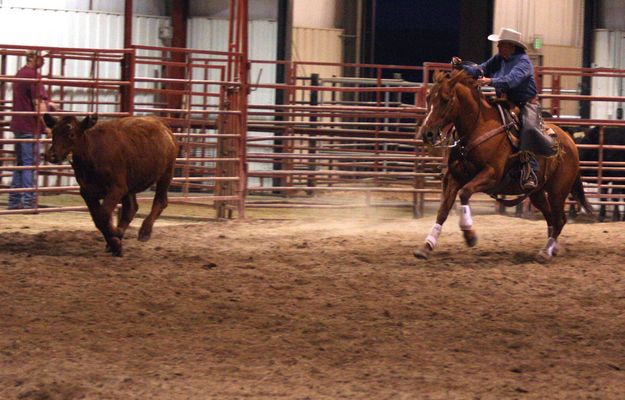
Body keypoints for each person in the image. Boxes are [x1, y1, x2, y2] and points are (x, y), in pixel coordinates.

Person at [452, 27, 555, 190]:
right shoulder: (499, 58)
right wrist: (462, 67)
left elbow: (511, 81)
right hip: (505, 100)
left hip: (526, 103)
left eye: (501, 44)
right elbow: (481, 69)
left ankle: (530, 168)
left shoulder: (524, 62)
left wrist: (490, 81)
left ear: (511, 46)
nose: (498, 47)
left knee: (528, 129)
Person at [8, 50, 57, 209]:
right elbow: (38, 105)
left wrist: (48, 104)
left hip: (19, 124)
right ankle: (29, 201)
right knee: (30, 164)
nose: (42, 61)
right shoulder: (34, 77)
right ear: (32, 58)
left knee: (21, 163)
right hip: (30, 125)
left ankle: (15, 201)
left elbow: (30, 101)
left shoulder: (20, 74)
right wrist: (47, 126)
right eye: (40, 58)